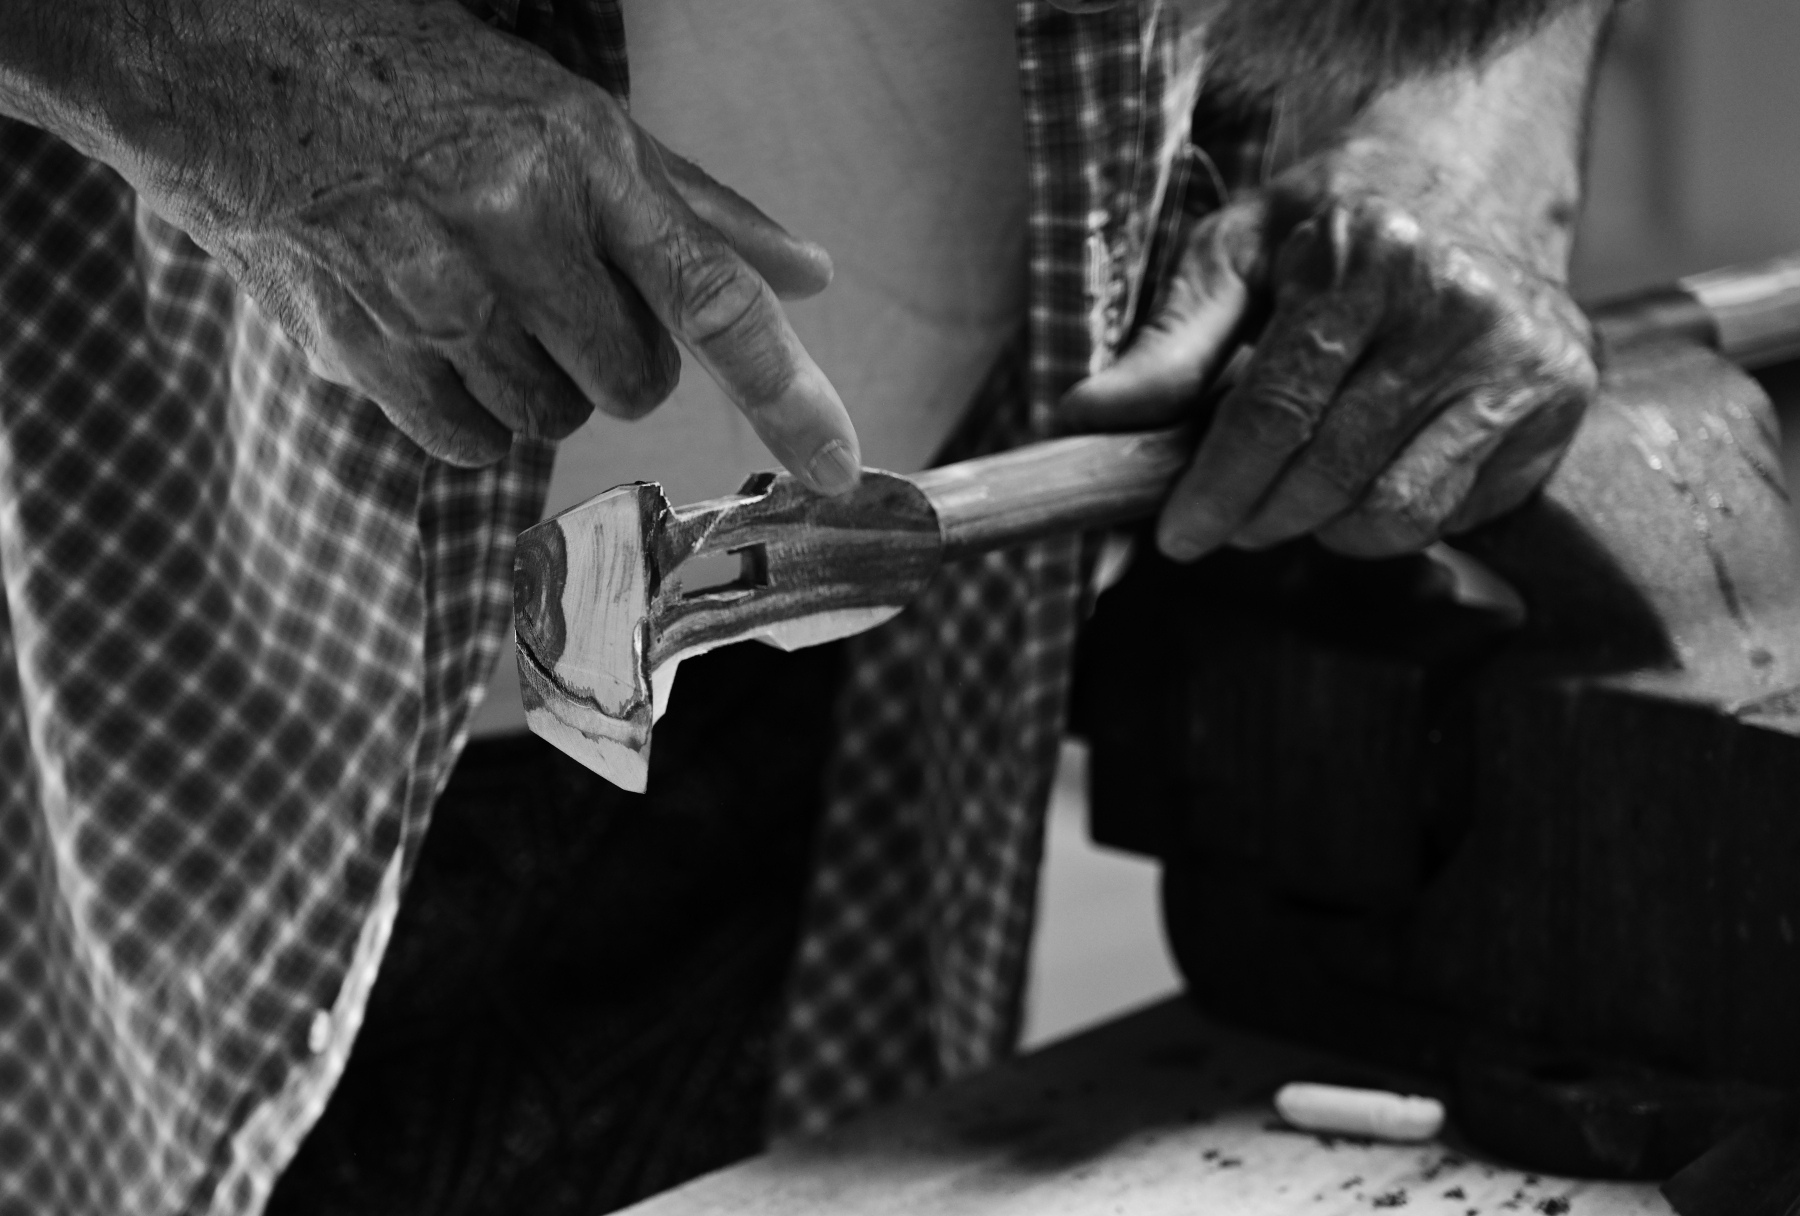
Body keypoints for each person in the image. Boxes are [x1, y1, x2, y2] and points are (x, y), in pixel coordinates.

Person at [0, 1, 1609, 1212]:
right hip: (174, 672)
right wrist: (219, 61)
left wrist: (1461, 124)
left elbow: (1472, 65)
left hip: (829, 677)